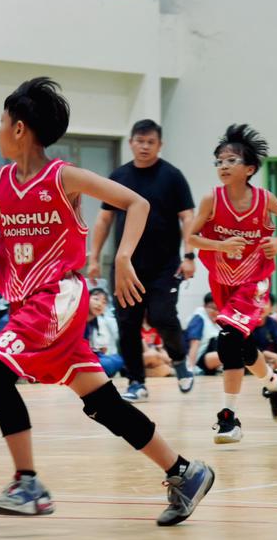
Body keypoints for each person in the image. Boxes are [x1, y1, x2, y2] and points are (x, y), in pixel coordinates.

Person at [0, 77, 214, 526]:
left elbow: (136, 204)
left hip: (57, 297)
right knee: (104, 404)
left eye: (1, 123)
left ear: (19, 128)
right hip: (30, 301)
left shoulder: (63, 177)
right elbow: (13, 241)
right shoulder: (0, 181)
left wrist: (122, 256)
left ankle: (27, 484)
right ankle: (184, 472)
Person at [183, 125, 277, 443]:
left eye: (231, 160)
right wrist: (220, 245)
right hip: (222, 280)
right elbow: (191, 237)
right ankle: (274, 382)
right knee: (242, 347)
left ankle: (228, 418)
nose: (223, 166)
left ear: (249, 169)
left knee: (228, 340)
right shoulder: (211, 199)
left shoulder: (264, 199)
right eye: (219, 161)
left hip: (255, 279)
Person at [89, 119, 197, 401]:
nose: (145, 146)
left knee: (162, 316)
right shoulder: (119, 176)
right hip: (126, 267)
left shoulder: (172, 177)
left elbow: (187, 217)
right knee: (128, 324)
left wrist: (189, 255)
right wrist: (94, 258)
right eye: (140, 141)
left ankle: (179, 360)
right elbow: (104, 219)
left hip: (165, 266)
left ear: (160, 145)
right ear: (131, 143)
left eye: (151, 142)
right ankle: (136, 382)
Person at [85, 287, 123, 378]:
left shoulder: (93, 323)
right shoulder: (77, 319)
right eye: (96, 299)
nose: (99, 304)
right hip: (74, 360)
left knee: (118, 359)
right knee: (108, 364)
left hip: (89, 357)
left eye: (104, 302)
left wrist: (95, 351)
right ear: (85, 298)